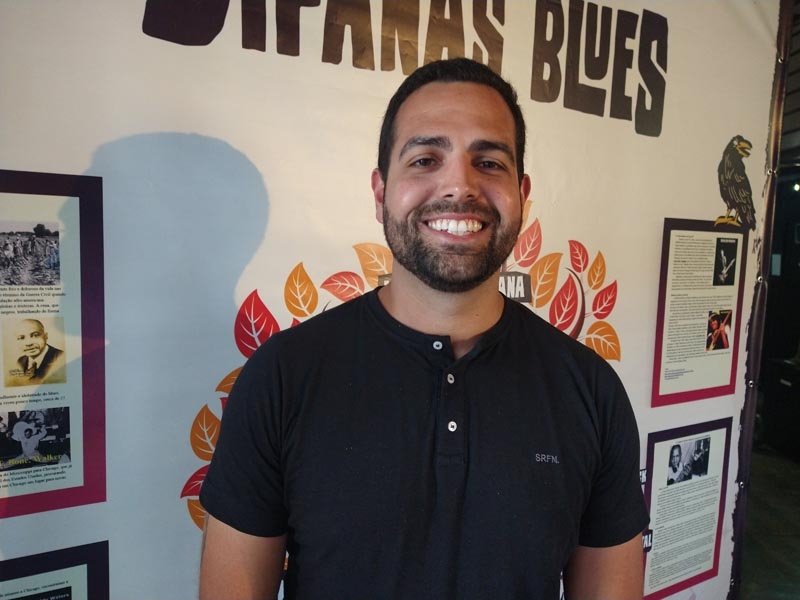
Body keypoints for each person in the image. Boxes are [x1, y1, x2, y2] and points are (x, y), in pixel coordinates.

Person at [199, 58, 648, 600]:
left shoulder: (592, 391)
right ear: (380, 192)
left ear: (522, 195)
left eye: (489, 162)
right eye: (425, 159)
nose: (459, 185)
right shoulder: (281, 377)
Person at [9, 319, 66, 385]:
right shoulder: (20, 361)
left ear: (46, 336)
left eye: (35, 335)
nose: (28, 343)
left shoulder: (61, 358)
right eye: (21, 338)